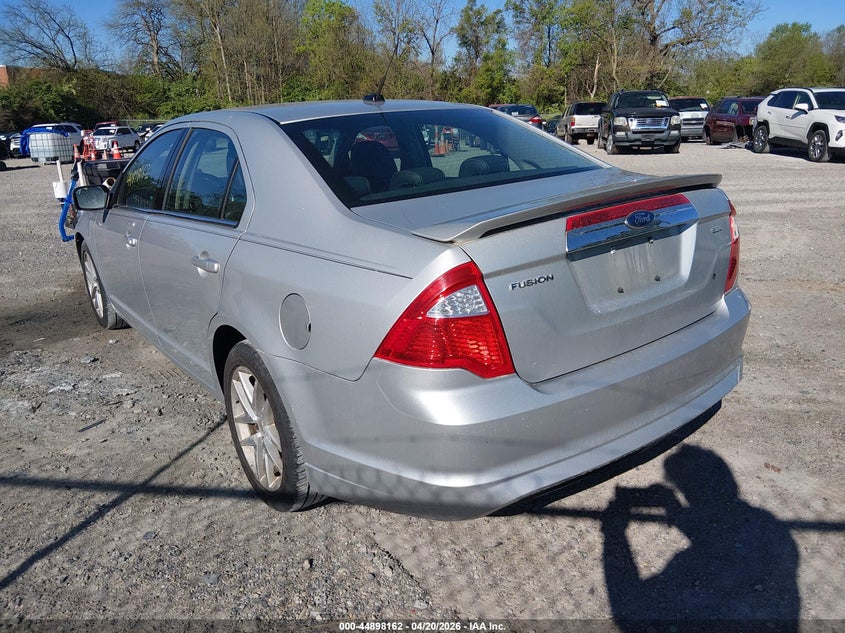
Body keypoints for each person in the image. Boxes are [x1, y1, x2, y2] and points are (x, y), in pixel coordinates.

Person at [601, 445, 800, 632]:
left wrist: (614, 532)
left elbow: (626, 609)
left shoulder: (689, 570)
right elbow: (719, 544)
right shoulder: (763, 523)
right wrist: (676, 511)